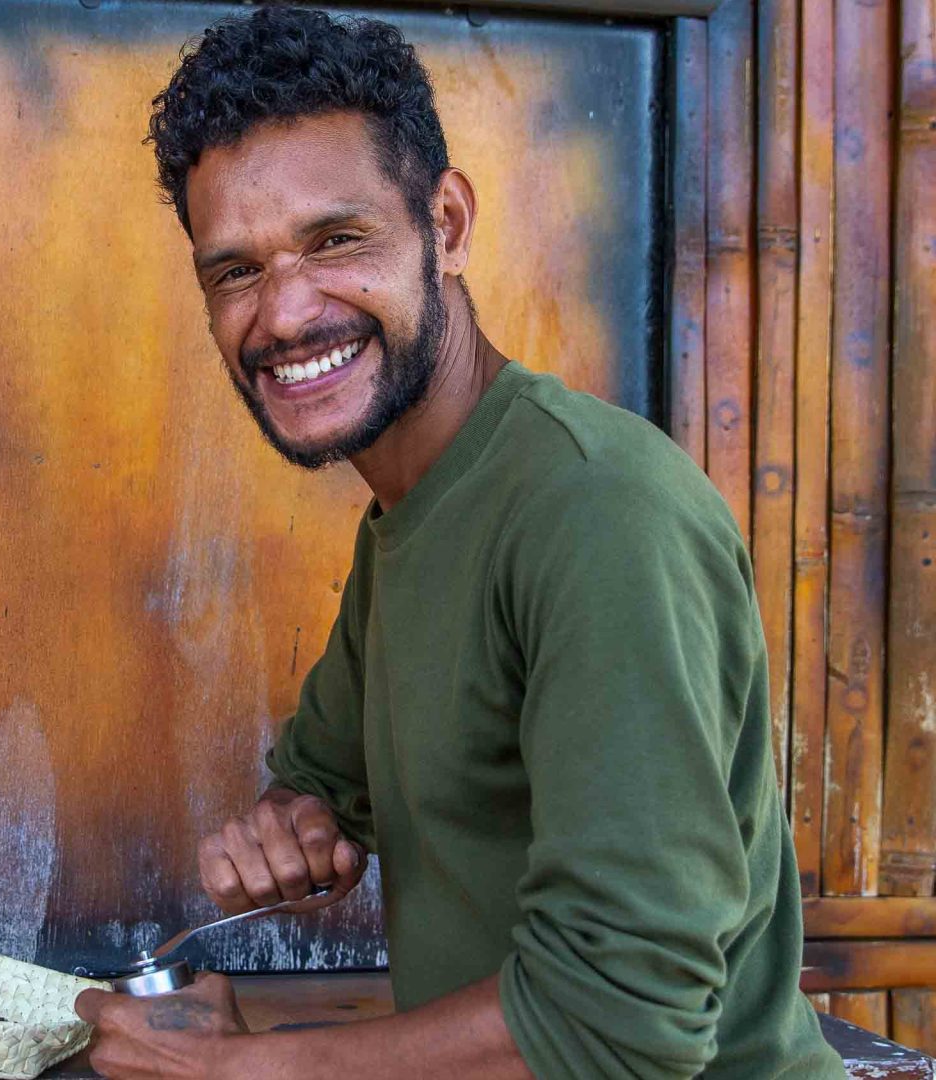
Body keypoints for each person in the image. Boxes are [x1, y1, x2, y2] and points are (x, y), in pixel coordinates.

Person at [72, 8, 842, 1078]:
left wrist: (245, 1072)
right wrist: (290, 829)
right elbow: (323, 786)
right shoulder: (410, 517)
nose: (287, 312)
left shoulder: (598, 512)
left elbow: (620, 1022)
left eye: (337, 240)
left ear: (447, 222)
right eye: (235, 271)